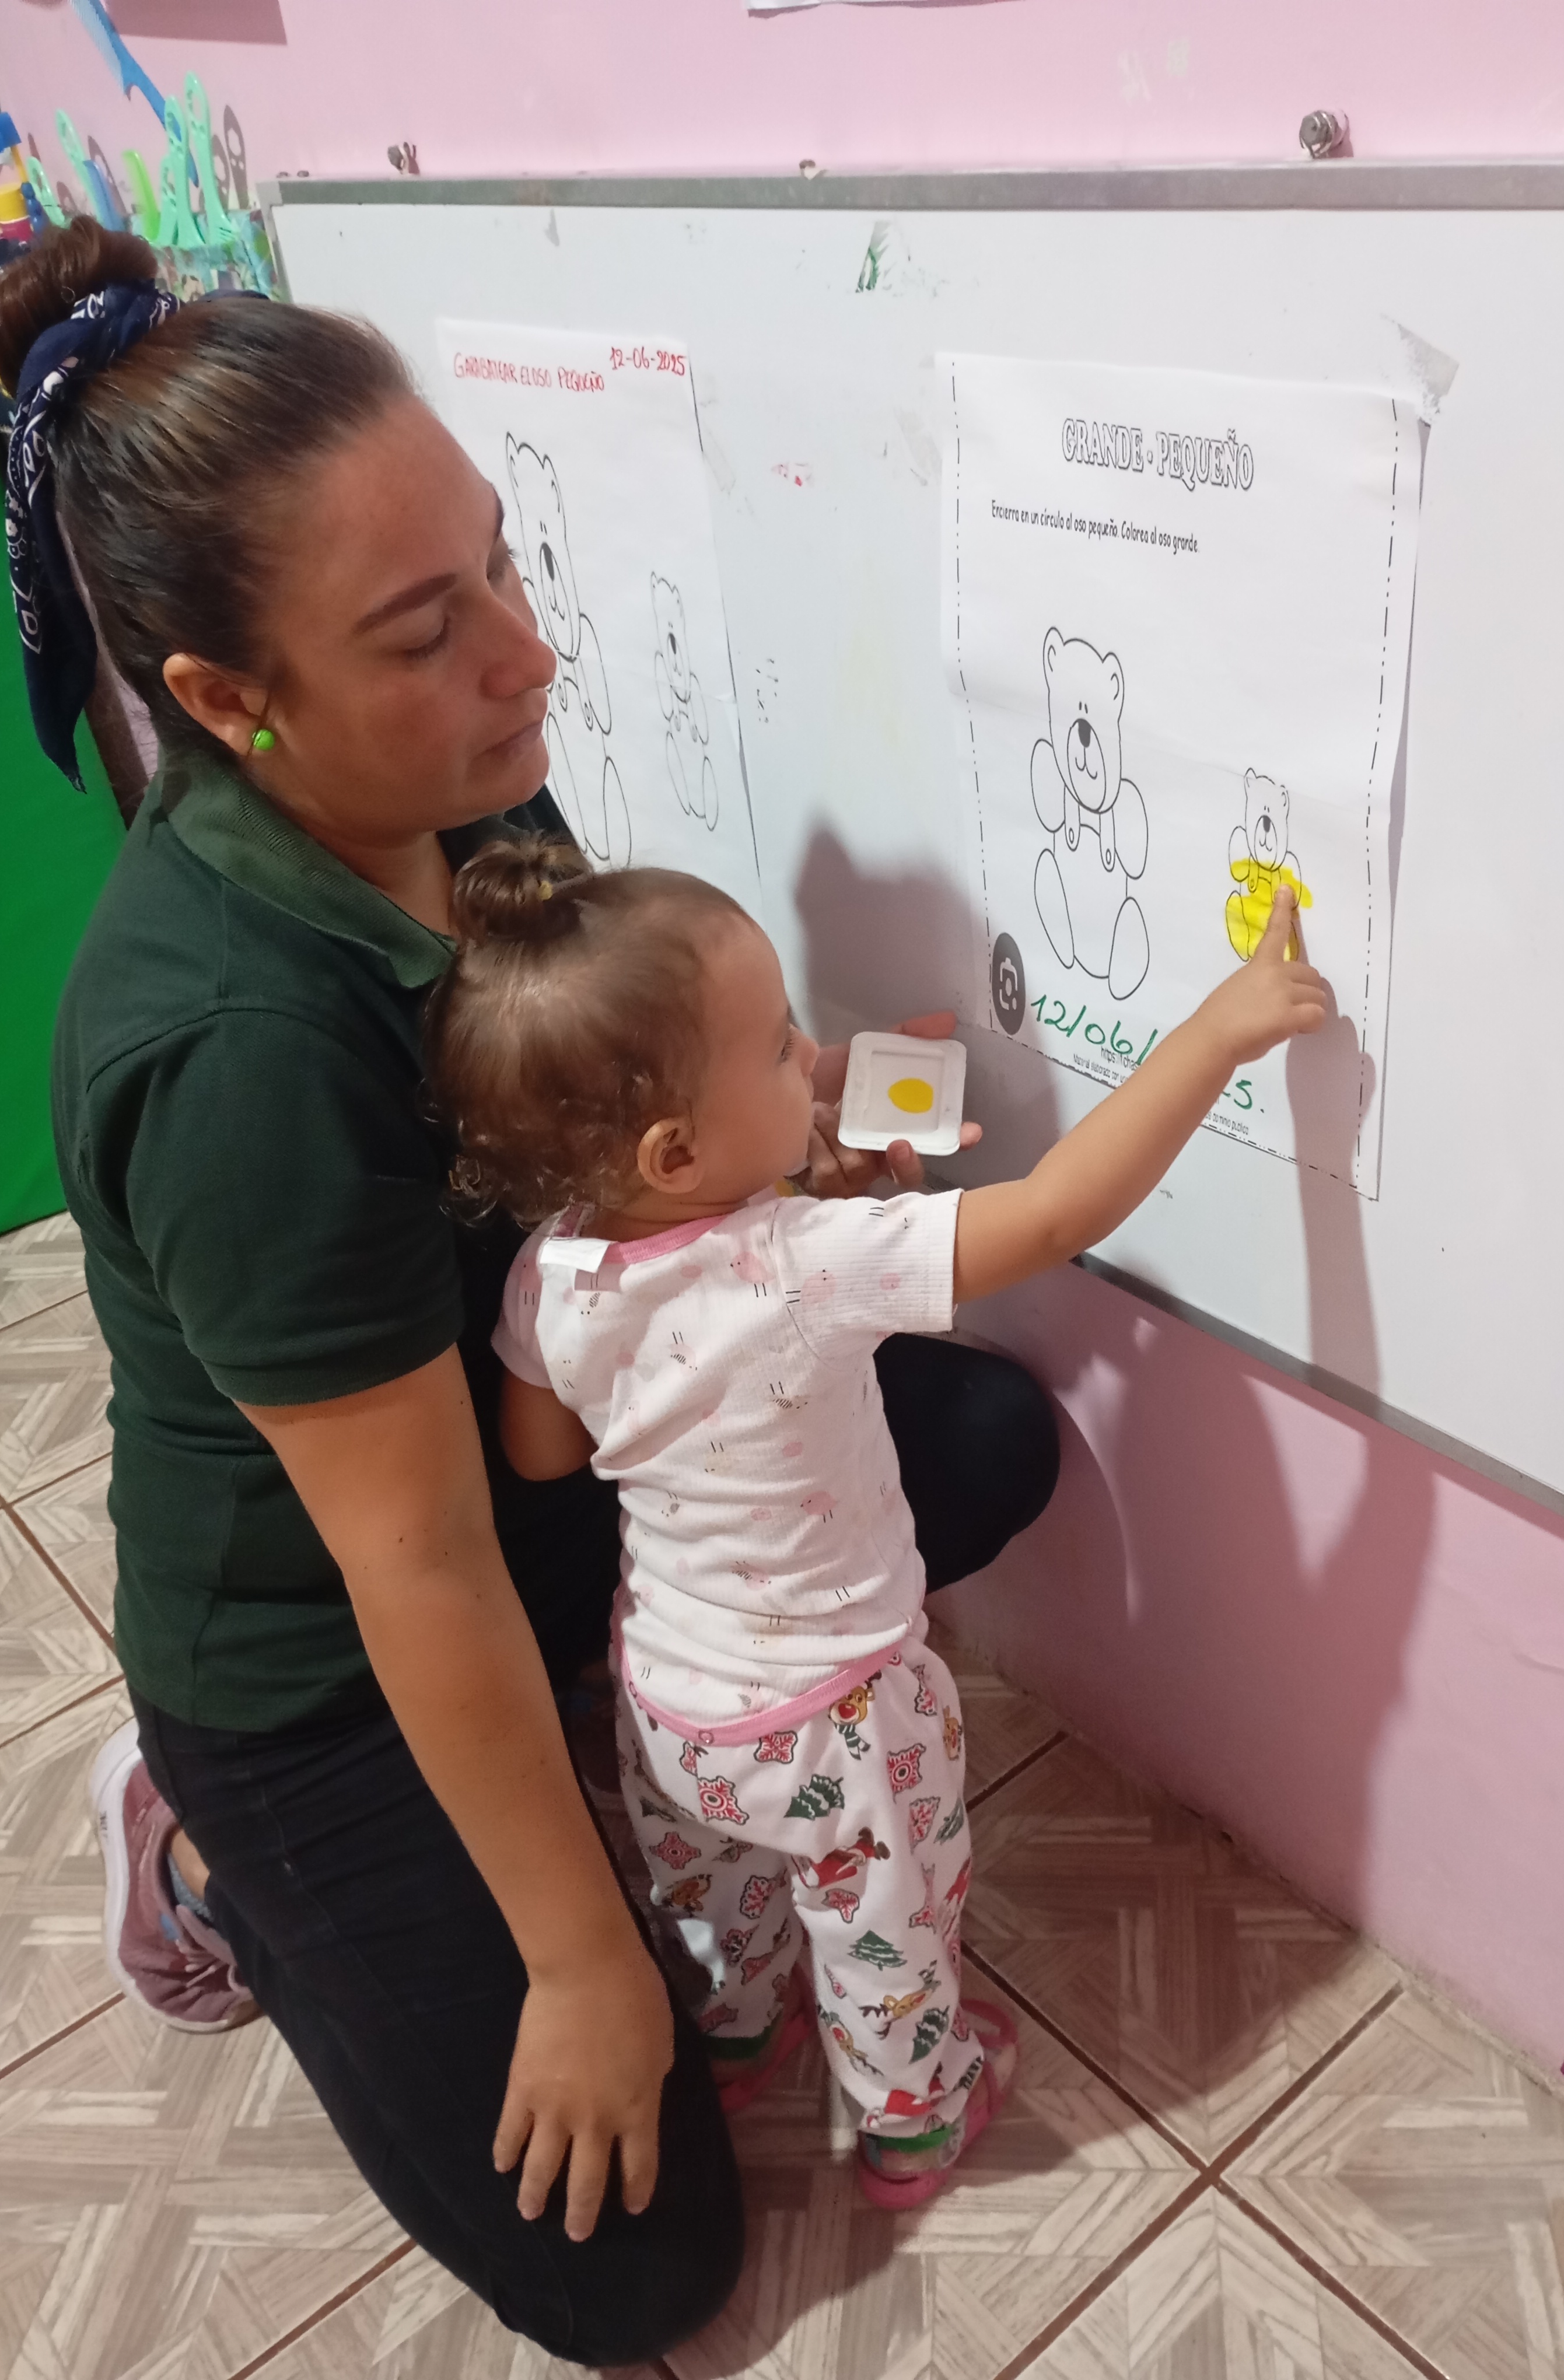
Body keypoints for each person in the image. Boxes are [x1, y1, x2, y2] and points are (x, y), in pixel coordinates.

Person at [0, 220, 1060, 2364]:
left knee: (972, 1436)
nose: (527, 651)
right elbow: (415, 1570)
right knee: (635, 2267)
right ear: (228, 704)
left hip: (522, 1447)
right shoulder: (234, 1055)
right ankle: (206, 1861)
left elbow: (581, 1111)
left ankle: (574, 1737)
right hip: (322, 1648)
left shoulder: (465, 792)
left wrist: (769, 1138)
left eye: (498, 563)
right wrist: (579, 1961)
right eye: (429, 629)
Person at [423, 837, 1325, 2204]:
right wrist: (1219, 1031)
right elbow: (1060, 1209)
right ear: (675, 1149)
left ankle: (735, 2035)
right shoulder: (803, 1264)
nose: (816, 1061)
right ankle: (914, 2117)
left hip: (667, 1702)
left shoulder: (551, 1269)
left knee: (713, 1896)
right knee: (884, 1931)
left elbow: (539, 1450)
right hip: (837, 1719)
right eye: (784, 1049)